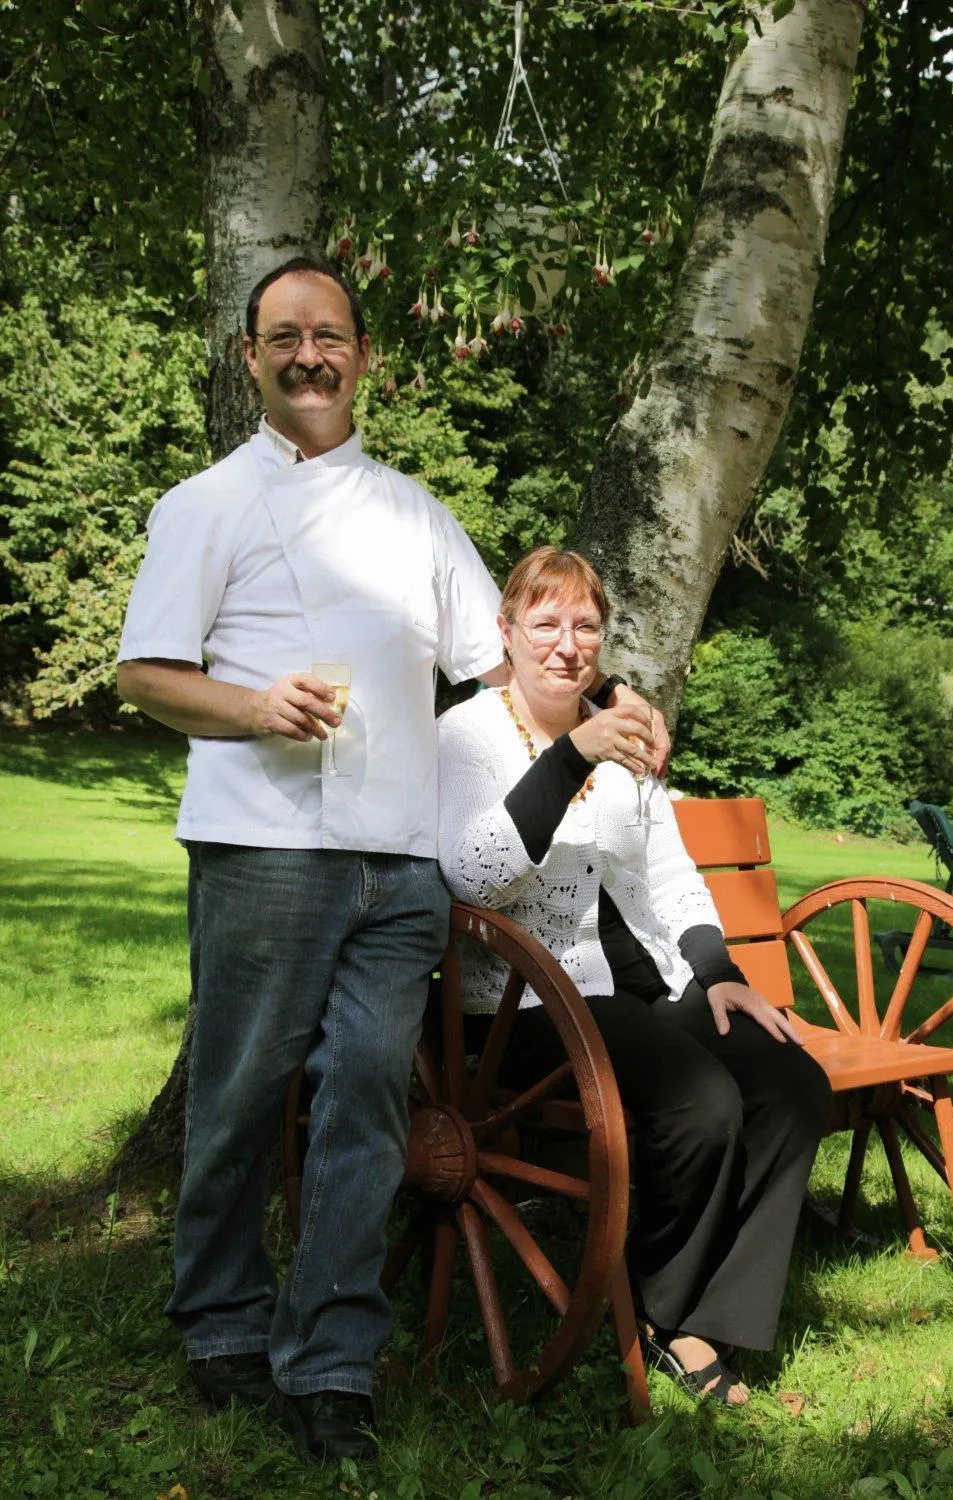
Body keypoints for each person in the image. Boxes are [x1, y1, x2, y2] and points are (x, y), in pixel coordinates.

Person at [116, 260, 659, 1461]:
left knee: (370, 1101)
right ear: (251, 357)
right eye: (284, 337)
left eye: (330, 337)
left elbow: (500, 662)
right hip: (264, 851)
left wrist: (612, 699)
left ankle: (332, 1363)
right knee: (244, 1099)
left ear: (364, 356)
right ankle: (218, 1326)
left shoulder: (417, 514)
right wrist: (258, 707)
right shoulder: (202, 505)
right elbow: (144, 675)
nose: (309, 355)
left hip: (400, 868)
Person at [437, 547, 832, 1406]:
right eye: (544, 624)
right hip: (532, 1002)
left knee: (790, 1082)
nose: (566, 645)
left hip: (646, 987)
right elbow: (473, 876)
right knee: (701, 1101)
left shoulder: (624, 735)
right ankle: (672, 1322)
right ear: (506, 633)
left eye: (585, 626)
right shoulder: (466, 737)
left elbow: (671, 873)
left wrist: (718, 973)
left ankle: (702, 1306)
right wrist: (572, 754)